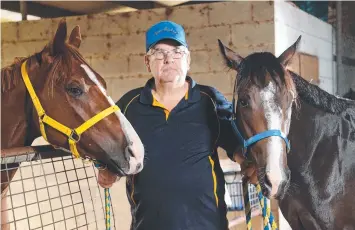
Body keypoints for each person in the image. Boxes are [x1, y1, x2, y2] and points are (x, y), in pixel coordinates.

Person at [97, 20, 247, 230]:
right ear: (147, 62)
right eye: (158, 53)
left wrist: (251, 164)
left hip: (207, 224)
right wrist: (107, 168)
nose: (168, 59)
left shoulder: (209, 99)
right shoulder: (129, 105)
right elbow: (104, 143)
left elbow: (236, 144)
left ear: (188, 59)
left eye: (177, 52)